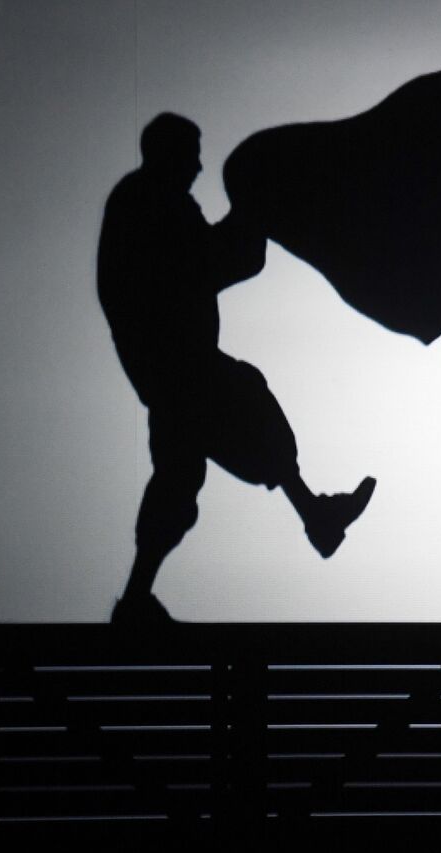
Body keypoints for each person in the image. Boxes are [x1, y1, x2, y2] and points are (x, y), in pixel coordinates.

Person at [98, 112, 375, 625]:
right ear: (169, 152)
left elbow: (208, 261)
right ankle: (313, 516)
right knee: (221, 435)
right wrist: (251, 218)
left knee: (186, 470)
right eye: (193, 153)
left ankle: (312, 516)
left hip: (171, 365)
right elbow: (204, 264)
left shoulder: (152, 202)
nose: (200, 165)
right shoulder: (150, 203)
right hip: (175, 365)